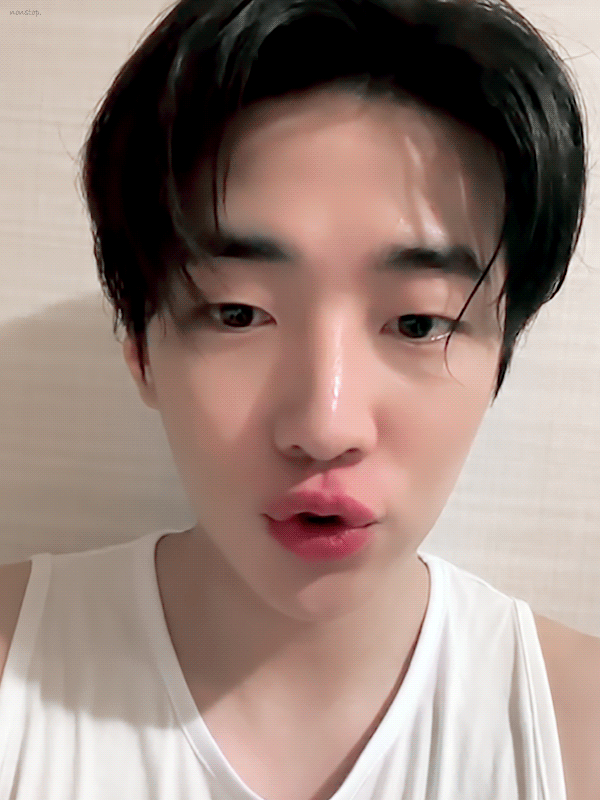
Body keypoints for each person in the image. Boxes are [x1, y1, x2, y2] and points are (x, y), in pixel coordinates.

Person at [0, 0, 598, 798]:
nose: (325, 426)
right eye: (237, 314)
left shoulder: (578, 731)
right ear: (140, 347)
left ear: (501, 360)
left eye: (418, 323)